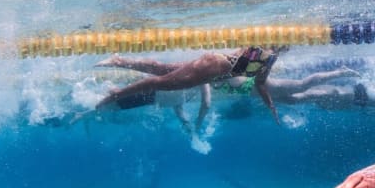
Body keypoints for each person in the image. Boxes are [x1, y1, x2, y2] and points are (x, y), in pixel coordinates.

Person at [93, 46, 282, 127]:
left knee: (160, 69)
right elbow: (255, 80)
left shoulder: (264, 56)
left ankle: (119, 61)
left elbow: (260, 84)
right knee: (159, 82)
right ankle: (115, 95)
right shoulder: (266, 55)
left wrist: (271, 106)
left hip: (213, 64)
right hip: (212, 69)